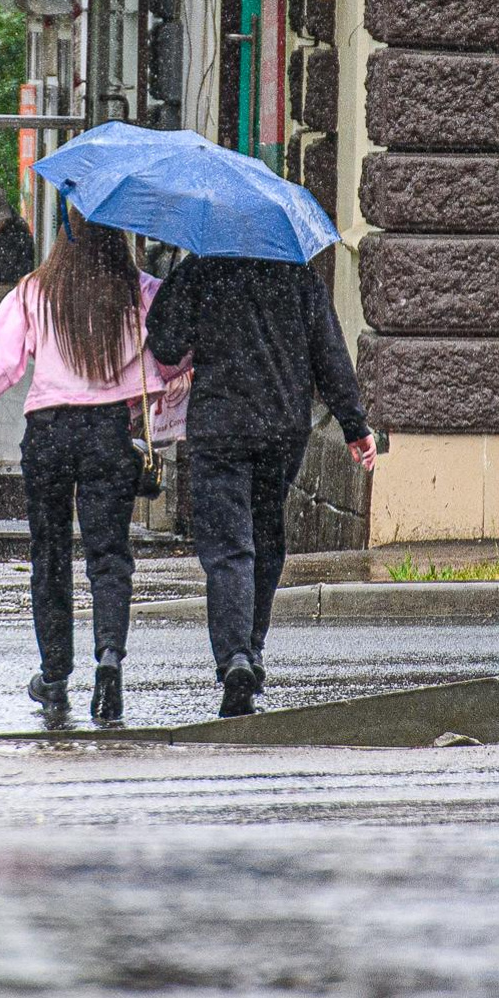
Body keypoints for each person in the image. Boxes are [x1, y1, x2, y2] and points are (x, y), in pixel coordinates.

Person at [0, 214, 186, 724]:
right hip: (109, 434)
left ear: (64, 235)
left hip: (47, 433)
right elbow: (173, 357)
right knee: (109, 555)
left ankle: (55, 673)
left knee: (50, 554)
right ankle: (109, 658)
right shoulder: (140, 291)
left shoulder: (34, 291)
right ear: (119, 236)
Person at [145, 255, 375, 718]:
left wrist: (174, 293)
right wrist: (354, 424)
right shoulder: (296, 271)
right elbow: (328, 350)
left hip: (221, 424)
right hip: (281, 426)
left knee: (230, 546)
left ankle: (234, 657)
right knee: (266, 532)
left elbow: (166, 343)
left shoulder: (203, 267)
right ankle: (252, 646)